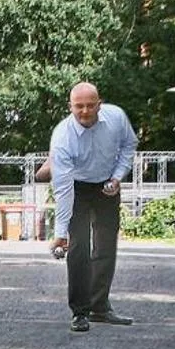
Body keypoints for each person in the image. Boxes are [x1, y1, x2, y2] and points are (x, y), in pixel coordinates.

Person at [48, 82, 138, 333]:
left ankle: (100, 307)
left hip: (107, 184)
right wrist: (60, 233)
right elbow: (63, 190)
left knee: (106, 245)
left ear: (100, 103)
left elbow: (129, 145)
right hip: (76, 186)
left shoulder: (117, 117)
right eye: (79, 107)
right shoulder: (62, 136)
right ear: (70, 107)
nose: (85, 111)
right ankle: (80, 312)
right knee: (78, 247)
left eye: (90, 105)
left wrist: (118, 177)